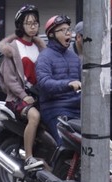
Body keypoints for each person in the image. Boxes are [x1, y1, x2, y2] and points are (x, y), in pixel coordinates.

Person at [0, 5, 47, 171]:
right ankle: (29, 157)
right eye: (28, 23)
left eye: (35, 23)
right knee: (34, 116)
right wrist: (23, 95)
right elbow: (10, 79)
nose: (32, 26)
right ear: (20, 25)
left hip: (38, 96)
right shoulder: (13, 48)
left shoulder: (40, 48)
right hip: (18, 98)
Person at [35, 14, 82, 143]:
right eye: (63, 30)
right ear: (51, 35)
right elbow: (44, 83)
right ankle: (56, 163)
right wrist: (68, 84)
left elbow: (84, 82)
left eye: (69, 30)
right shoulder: (45, 57)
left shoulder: (74, 57)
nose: (68, 34)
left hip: (77, 109)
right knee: (66, 144)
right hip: (55, 109)